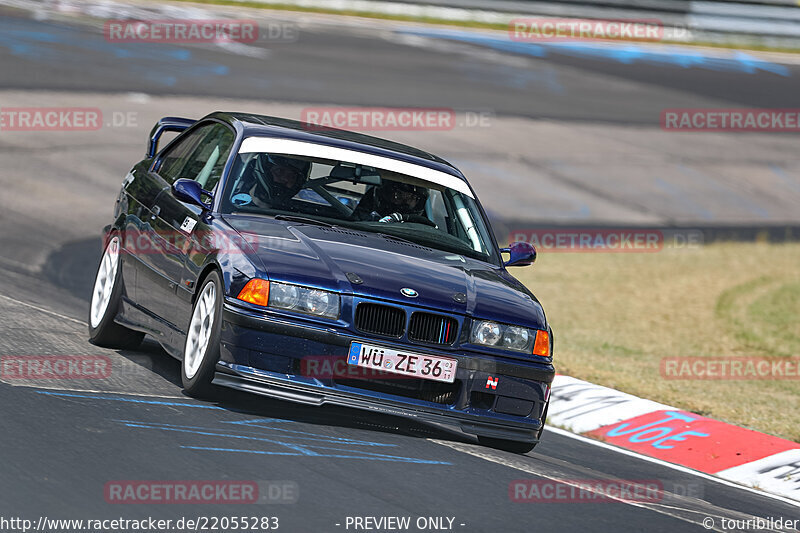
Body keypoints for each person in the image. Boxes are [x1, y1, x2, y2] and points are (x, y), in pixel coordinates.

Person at [234, 154, 311, 209]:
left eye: (292, 176)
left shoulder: (298, 213)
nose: (285, 179)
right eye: (279, 171)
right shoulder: (233, 201)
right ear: (265, 171)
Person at [352, 179, 430, 224]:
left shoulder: (422, 229)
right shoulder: (363, 221)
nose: (405, 201)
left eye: (412, 198)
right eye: (398, 195)